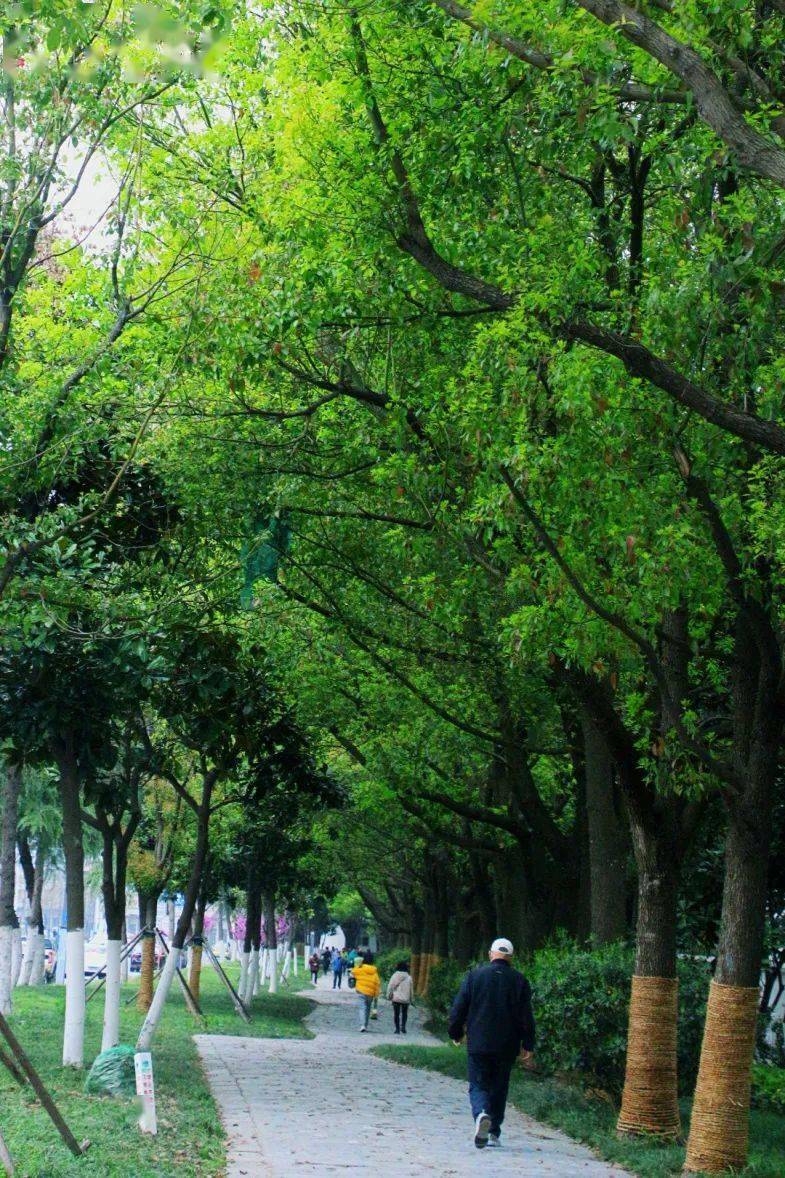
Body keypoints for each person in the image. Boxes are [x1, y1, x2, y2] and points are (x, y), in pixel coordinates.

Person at [448, 937, 535, 1151]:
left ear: (490, 954)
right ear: (511, 958)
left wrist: (456, 1033)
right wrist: (528, 1043)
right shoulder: (520, 981)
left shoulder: (475, 976)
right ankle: (494, 1131)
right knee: (499, 1086)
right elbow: (526, 1016)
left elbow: (459, 1008)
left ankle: (481, 1114)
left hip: (478, 1041)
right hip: (507, 1044)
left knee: (478, 1084)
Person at [351, 951, 381, 1032]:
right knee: (368, 1009)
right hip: (370, 994)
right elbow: (377, 983)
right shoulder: (374, 971)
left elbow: (353, 972)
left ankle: (362, 1025)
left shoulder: (360, 969)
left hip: (361, 991)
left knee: (362, 1008)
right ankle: (366, 1025)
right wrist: (376, 995)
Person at [386, 960, 413, 1034]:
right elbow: (411, 990)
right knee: (405, 1013)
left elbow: (390, 986)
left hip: (396, 998)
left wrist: (388, 995)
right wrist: (411, 999)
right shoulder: (409, 977)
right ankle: (403, 1027)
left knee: (396, 1014)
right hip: (405, 999)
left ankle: (397, 1029)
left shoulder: (395, 976)